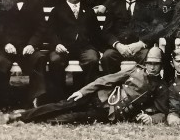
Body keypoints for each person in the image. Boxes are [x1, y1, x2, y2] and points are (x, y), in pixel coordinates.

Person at [12, 47, 168, 125]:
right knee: (64, 105)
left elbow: (162, 112)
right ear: (145, 63)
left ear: (161, 66)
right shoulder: (134, 70)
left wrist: (151, 118)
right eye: (150, 63)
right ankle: (23, 116)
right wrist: (82, 91)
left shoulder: (160, 87)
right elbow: (106, 79)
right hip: (98, 96)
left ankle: (37, 121)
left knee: (73, 118)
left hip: (111, 113)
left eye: (156, 64)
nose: (153, 67)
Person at [0, 0, 48, 110]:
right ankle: (3, 102)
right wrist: (5, 43)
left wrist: (32, 45)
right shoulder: (3, 0)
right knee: (0, 62)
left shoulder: (36, 2)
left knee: (38, 59)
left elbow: (40, 27)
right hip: (8, 46)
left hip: (27, 46)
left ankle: (34, 102)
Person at [44, 0, 104, 102]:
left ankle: (85, 97)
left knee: (92, 59)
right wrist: (57, 44)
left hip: (84, 47)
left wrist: (99, 49)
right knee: (55, 60)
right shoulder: (57, 10)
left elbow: (96, 33)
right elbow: (50, 31)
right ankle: (58, 98)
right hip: (63, 47)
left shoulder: (88, 11)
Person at [99, 0, 166, 73]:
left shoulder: (148, 6)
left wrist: (141, 43)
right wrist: (117, 45)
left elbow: (157, 28)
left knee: (148, 57)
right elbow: (106, 32)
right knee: (108, 56)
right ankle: (113, 85)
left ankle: (141, 86)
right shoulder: (114, 6)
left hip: (140, 48)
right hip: (119, 48)